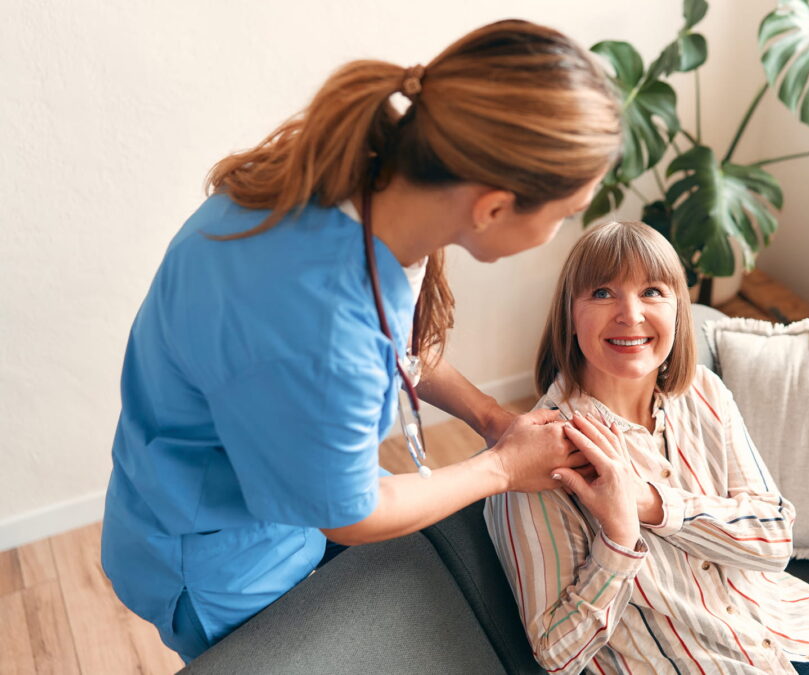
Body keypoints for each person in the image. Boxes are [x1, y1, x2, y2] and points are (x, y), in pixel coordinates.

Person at [101, 20, 621, 663]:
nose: (564, 229)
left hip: (259, 484)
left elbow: (394, 344)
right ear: (492, 206)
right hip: (217, 556)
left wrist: (493, 420)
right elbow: (350, 513)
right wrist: (502, 469)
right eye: (566, 214)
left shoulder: (365, 185)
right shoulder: (315, 323)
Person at [484, 221, 809, 674]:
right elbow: (556, 655)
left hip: (799, 635)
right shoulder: (540, 455)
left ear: (678, 309)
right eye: (602, 293)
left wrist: (649, 503)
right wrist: (619, 541)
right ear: (569, 314)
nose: (631, 314)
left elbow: (774, 539)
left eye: (652, 292)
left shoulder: (703, 391)